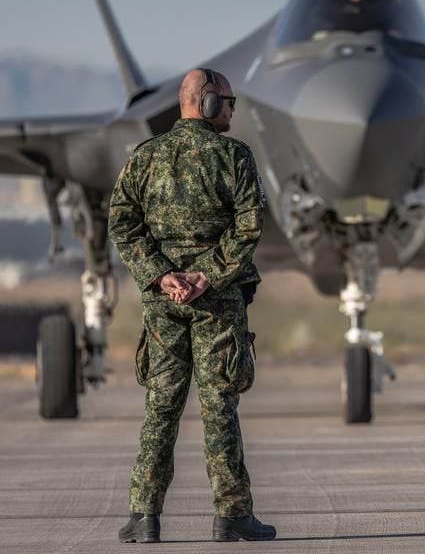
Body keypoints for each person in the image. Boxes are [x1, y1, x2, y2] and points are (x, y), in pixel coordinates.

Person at [108, 68, 275, 543]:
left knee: (161, 405)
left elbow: (122, 222)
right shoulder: (233, 157)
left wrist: (163, 275)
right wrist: (207, 275)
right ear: (205, 103)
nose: (231, 110)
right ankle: (233, 516)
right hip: (217, 303)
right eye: (228, 101)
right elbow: (248, 225)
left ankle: (144, 516)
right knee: (219, 403)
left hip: (163, 304)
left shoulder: (145, 158)